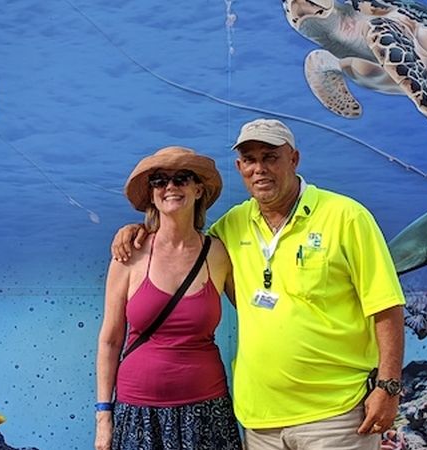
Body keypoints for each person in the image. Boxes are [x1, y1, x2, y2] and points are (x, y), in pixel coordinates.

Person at [112, 119, 405, 450]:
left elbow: (386, 305)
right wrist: (137, 232)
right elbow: (180, 239)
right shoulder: (231, 227)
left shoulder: (347, 216)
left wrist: (388, 386)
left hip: (335, 416)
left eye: (270, 157)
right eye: (249, 160)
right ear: (239, 167)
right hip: (259, 421)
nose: (259, 169)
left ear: (293, 159)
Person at [95, 146, 242, 450]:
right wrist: (103, 417)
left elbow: (257, 313)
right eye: (159, 181)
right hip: (137, 413)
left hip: (206, 411)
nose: (170, 187)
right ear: (151, 194)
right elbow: (110, 340)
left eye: (182, 178)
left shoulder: (218, 253)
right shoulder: (129, 254)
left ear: (199, 189)